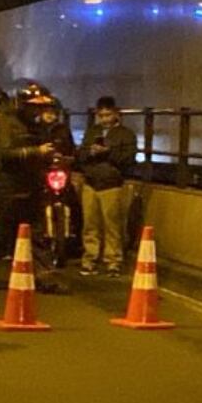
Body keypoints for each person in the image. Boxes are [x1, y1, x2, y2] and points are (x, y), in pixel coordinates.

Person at [0, 86, 67, 293]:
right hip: (10, 188)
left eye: (43, 107)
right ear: (23, 105)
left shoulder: (38, 126)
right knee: (0, 234)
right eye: (34, 107)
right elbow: (5, 154)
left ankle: (46, 278)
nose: (38, 112)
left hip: (32, 186)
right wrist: (36, 152)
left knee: (38, 235)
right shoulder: (6, 123)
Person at [78, 96, 137, 277]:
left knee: (112, 225)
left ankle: (113, 261)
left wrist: (108, 152)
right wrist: (90, 152)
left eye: (108, 115)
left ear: (116, 113)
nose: (104, 118)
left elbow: (128, 159)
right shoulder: (92, 132)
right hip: (91, 183)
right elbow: (80, 155)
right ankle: (90, 259)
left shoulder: (125, 134)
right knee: (90, 224)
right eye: (101, 115)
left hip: (111, 184)